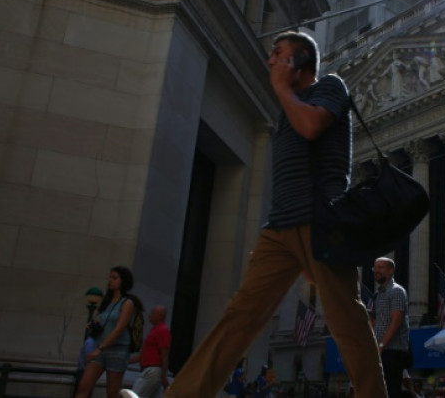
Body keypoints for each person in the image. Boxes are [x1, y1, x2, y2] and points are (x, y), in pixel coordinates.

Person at [163, 32, 388, 398]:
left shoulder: (330, 86)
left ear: (300, 62)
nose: (270, 61)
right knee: (239, 317)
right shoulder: (291, 106)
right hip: (280, 230)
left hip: (322, 224)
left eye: (278, 54)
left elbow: (313, 126)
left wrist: (282, 91)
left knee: (347, 320)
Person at [76, 266, 143, 398]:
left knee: (112, 393)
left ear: (123, 281)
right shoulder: (107, 302)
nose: (110, 280)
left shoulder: (127, 303)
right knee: (84, 386)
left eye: (114, 278)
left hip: (117, 350)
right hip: (100, 348)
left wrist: (100, 349)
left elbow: (119, 328)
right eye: (110, 277)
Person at [373, 257, 411, 398]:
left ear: (391, 271)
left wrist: (381, 345)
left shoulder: (397, 291)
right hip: (382, 350)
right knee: (383, 389)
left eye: (381, 268)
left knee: (391, 388)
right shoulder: (379, 295)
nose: (377, 271)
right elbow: (377, 322)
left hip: (394, 350)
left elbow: (397, 320)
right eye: (375, 268)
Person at [121, 305, 171, 398]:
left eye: (153, 313)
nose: (149, 315)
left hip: (153, 371)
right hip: (152, 370)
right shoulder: (155, 330)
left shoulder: (162, 330)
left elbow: (164, 354)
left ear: (160, 316)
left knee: (134, 395)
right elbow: (143, 355)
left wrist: (164, 376)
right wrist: (126, 361)